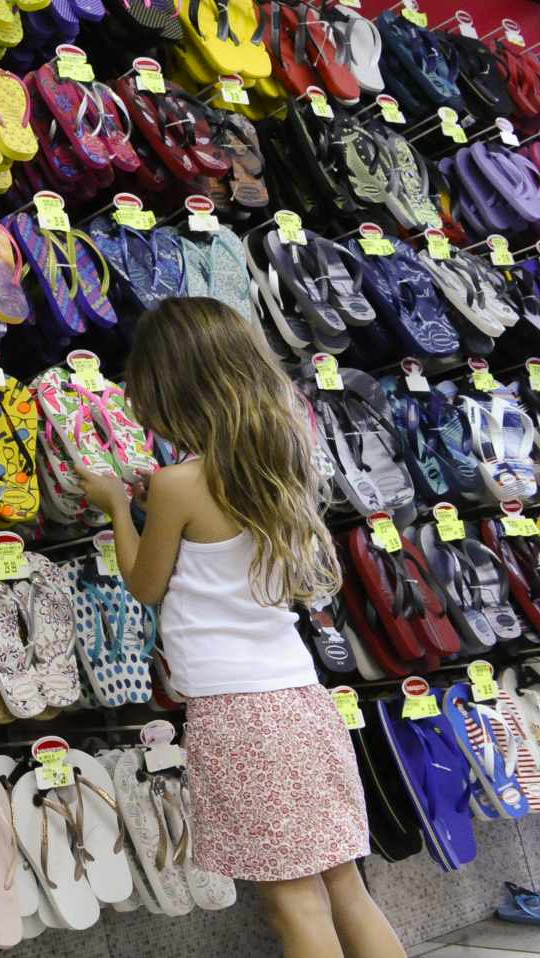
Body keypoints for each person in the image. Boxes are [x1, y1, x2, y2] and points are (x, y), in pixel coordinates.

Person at [75, 298, 403, 958]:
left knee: (293, 904)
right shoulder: (282, 463)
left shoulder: (176, 483)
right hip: (303, 703)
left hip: (238, 715)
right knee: (345, 886)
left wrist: (116, 506)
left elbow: (145, 584)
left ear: (172, 387)